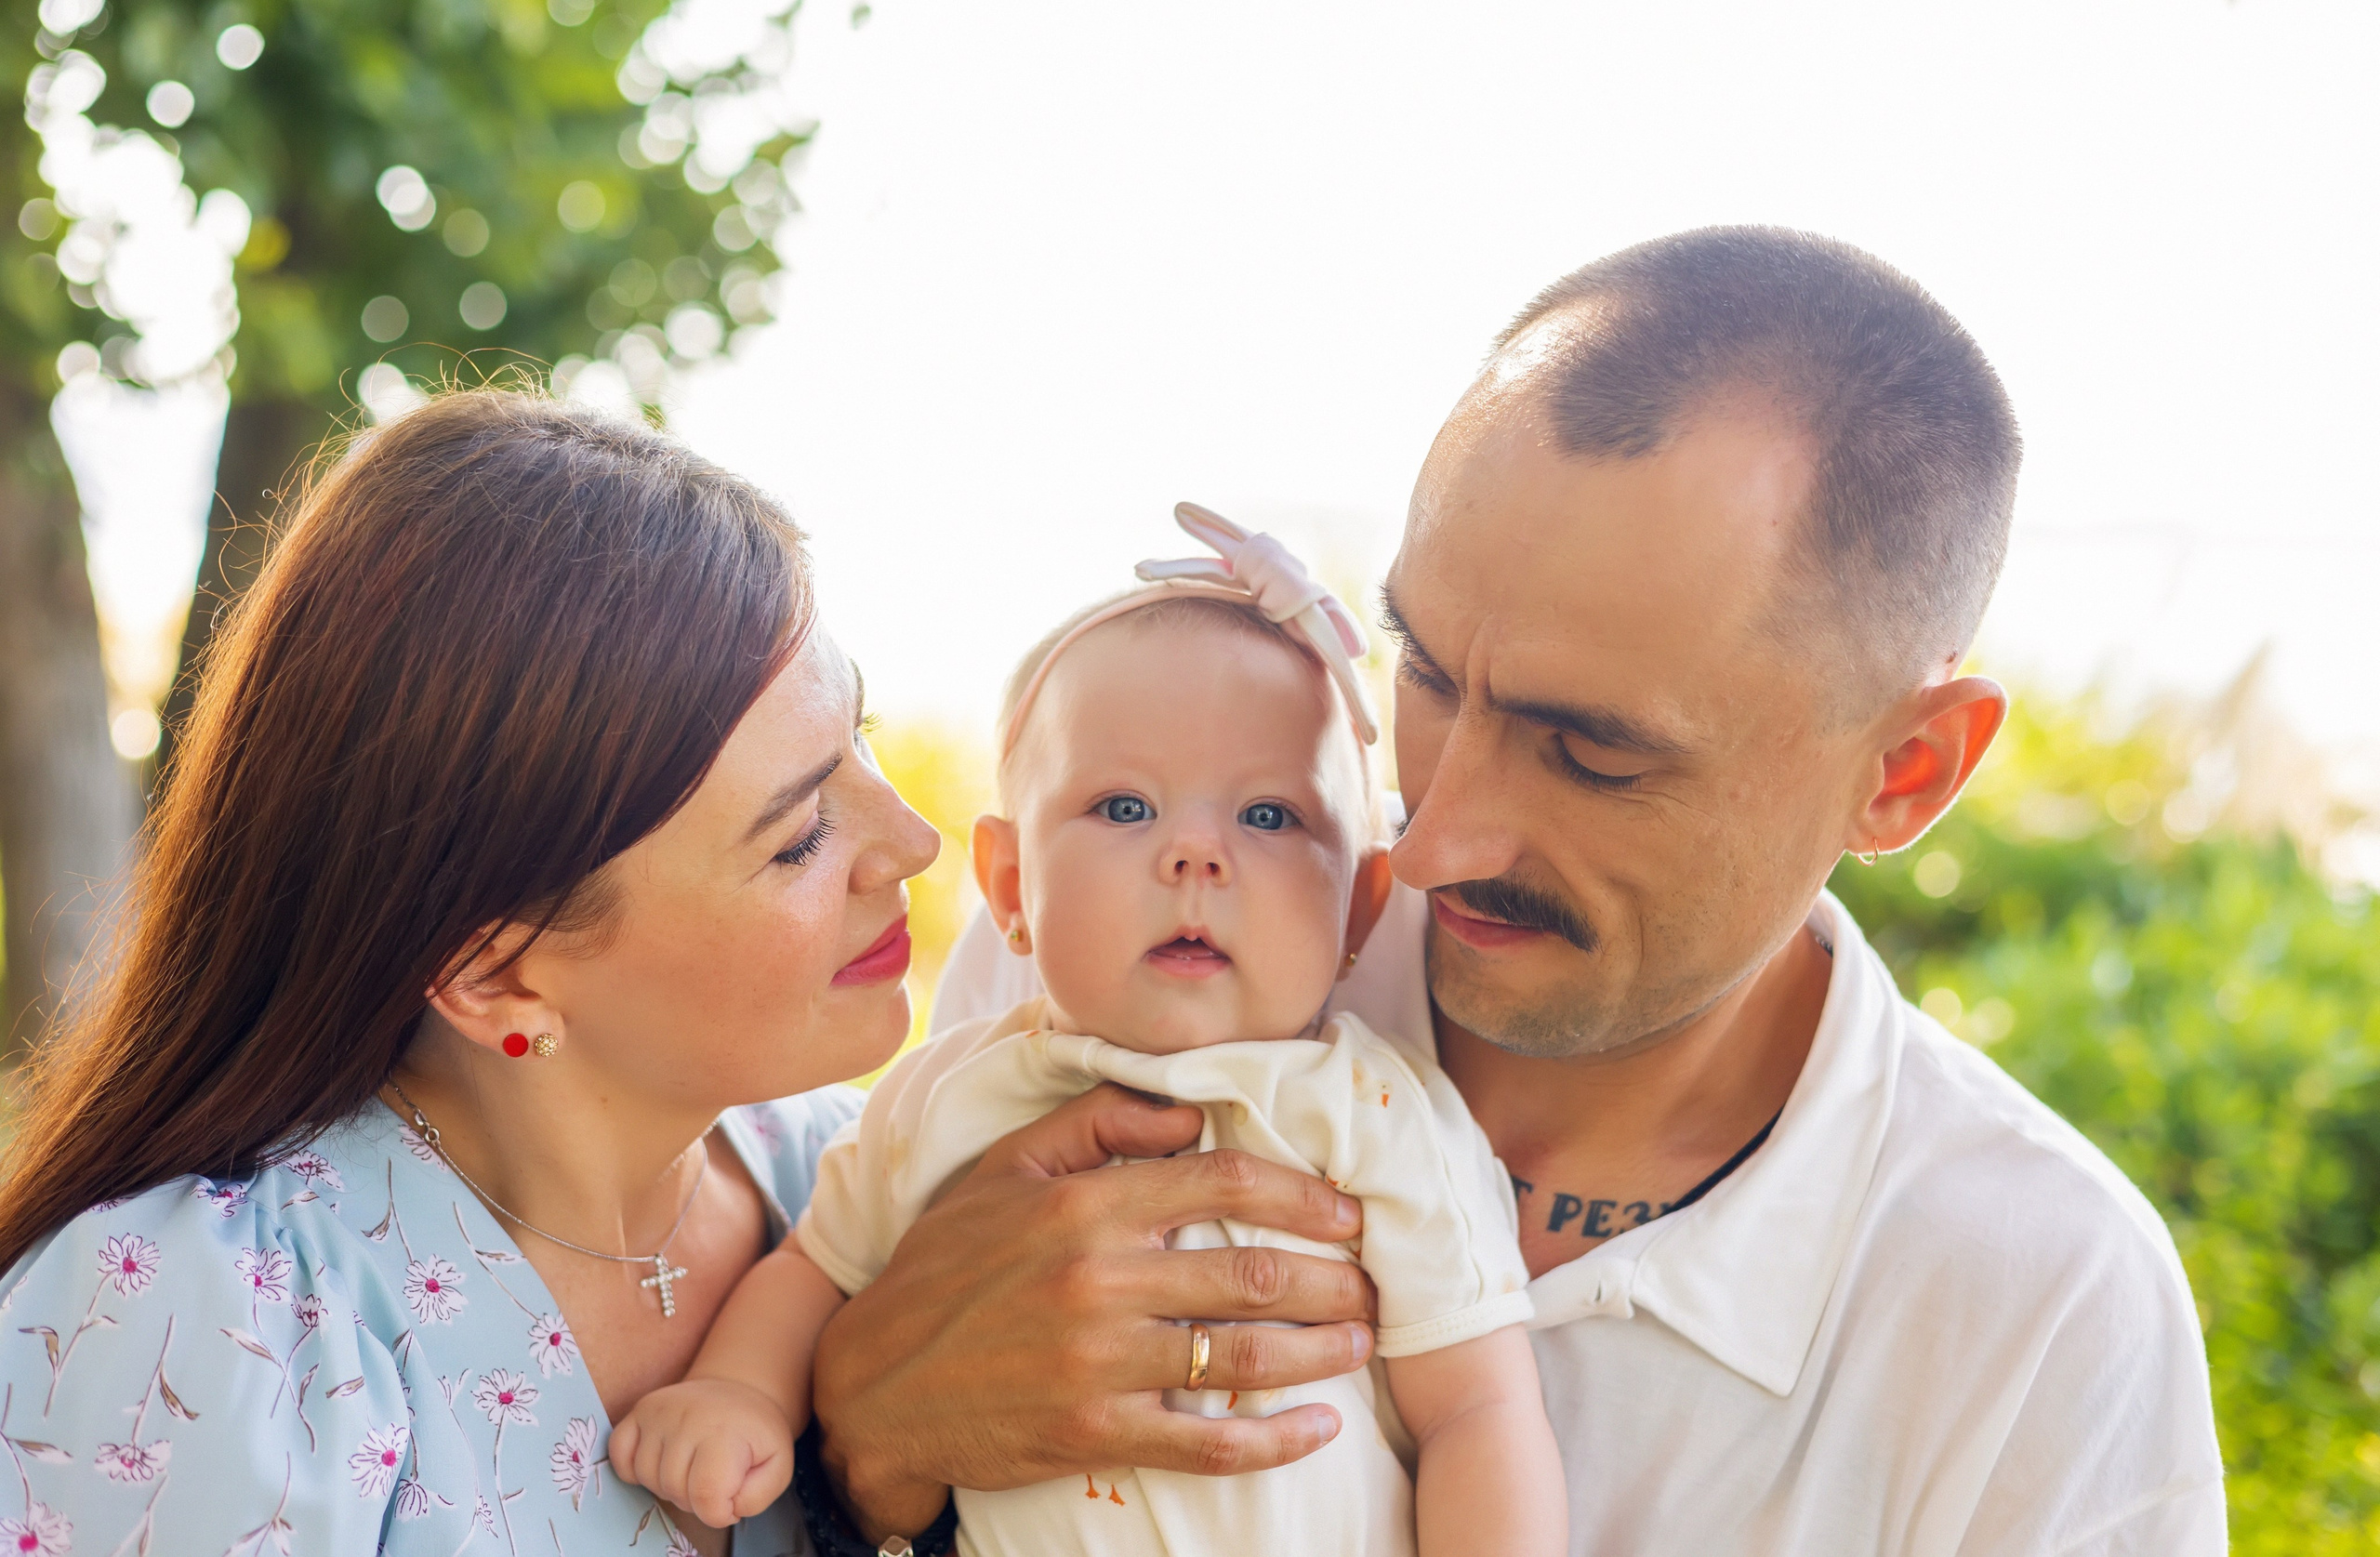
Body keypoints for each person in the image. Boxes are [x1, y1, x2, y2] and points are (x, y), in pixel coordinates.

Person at [805, 228, 2228, 1555]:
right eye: (1425, 669)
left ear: (1905, 769)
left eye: (1593, 748)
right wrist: (866, 1431)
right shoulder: (1123, 936)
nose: (1433, 841)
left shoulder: (2045, 1305)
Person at [0, 390, 970, 1556]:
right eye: (800, 833)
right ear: (496, 976)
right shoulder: (203, 1326)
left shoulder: (879, 1189)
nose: (914, 841)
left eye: (856, 735)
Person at [610, 505, 1564, 1556]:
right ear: (1012, 885)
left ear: (1361, 909)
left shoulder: (1376, 1116)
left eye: (1267, 817)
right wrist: (740, 1393)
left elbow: (1477, 1410)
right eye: (1122, 809)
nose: (1195, 858)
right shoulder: (949, 1095)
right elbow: (813, 1272)